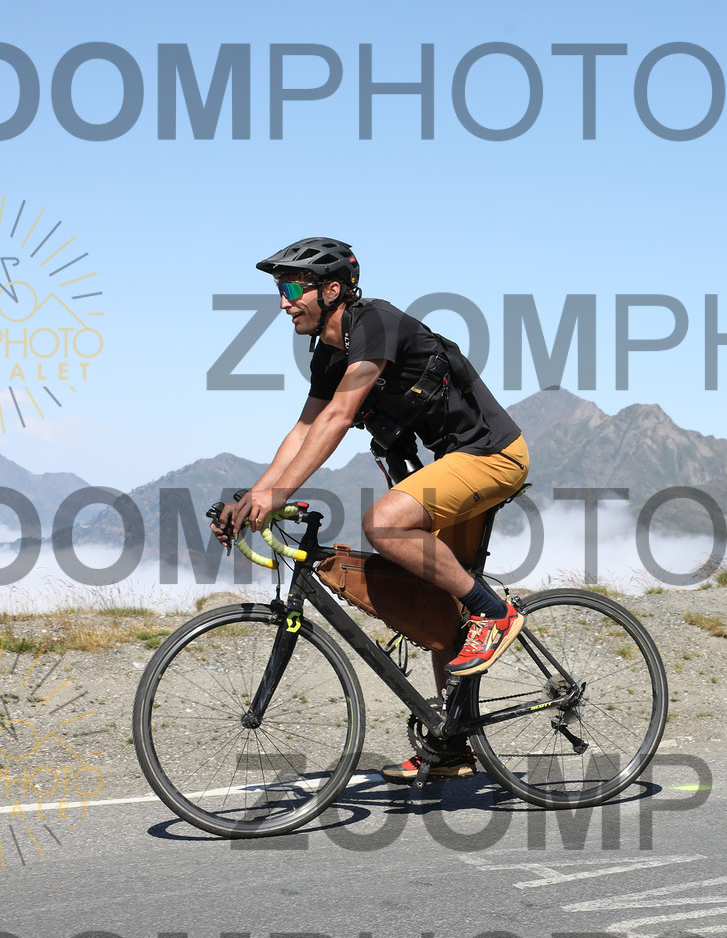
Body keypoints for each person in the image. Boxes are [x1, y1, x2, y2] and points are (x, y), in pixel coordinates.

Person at [211, 237, 530, 780]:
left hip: (493, 456)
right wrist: (254, 496)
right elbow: (305, 428)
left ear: (332, 290)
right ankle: (453, 744)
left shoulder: (375, 323)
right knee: (439, 610)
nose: (284, 302)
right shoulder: (328, 353)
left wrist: (278, 494)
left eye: (292, 288)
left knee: (383, 523)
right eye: (280, 289)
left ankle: (494, 612)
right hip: (454, 463)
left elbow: (339, 417)